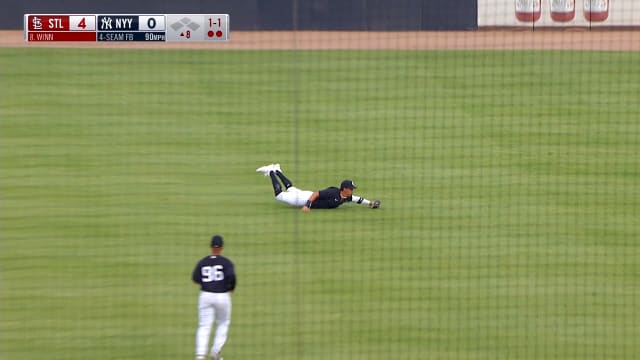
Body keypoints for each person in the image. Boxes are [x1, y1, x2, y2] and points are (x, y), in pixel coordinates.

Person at [256, 163, 381, 212]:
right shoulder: (333, 192)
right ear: (344, 188)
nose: (352, 190)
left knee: (290, 188)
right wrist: (307, 205)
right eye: (351, 188)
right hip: (305, 198)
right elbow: (316, 194)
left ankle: (277, 170)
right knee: (279, 196)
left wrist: (370, 203)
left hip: (306, 196)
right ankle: (271, 171)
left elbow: (357, 199)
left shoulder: (345, 197)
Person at [192, 235, 236, 360]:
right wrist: (231, 287)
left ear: (210, 246)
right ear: (222, 248)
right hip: (222, 296)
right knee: (223, 323)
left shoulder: (203, 262)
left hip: (205, 296)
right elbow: (231, 276)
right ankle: (215, 352)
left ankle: (200, 356)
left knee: (204, 326)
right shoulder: (226, 262)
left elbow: (195, 279)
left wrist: (207, 284)